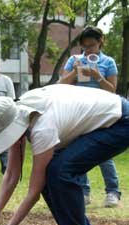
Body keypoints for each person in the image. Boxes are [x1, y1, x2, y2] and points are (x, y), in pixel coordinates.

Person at [0, 84, 129, 225]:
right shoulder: (19, 113)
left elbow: (33, 192)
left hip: (118, 122)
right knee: (53, 175)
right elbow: (11, 175)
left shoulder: (42, 128)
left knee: (59, 173)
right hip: (99, 121)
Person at [60, 26, 120, 208]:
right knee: (79, 151)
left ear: (101, 41)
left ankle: (112, 192)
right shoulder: (74, 60)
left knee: (103, 153)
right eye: (85, 47)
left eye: (92, 46)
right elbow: (61, 84)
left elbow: (112, 90)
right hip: (78, 112)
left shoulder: (108, 62)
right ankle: (83, 192)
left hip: (101, 113)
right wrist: (75, 71)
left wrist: (97, 76)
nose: (88, 50)